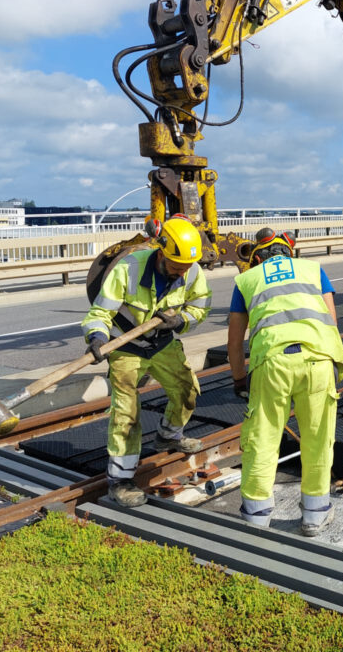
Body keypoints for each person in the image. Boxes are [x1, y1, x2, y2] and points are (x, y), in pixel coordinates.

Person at [81, 216, 212, 508]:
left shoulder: (191, 270)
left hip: (162, 343)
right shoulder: (128, 269)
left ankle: (169, 436)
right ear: (162, 252)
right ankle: (120, 481)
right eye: (176, 265)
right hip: (126, 347)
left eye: (186, 266)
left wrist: (179, 321)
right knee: (126, 412)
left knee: (187, 391)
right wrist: (97, 337)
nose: (182, 272)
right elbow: (99, 313)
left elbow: (199, 307)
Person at [227, 228, 343, 536]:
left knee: (263, 439)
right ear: (289, 253)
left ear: (257, 259)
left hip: (271, 364)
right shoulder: (313, 270)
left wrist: (240, 380)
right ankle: (315, 515)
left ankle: (256, 518)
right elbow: (331, 322)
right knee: (318, 437)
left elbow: (234, 342)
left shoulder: (247, 280)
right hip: (318, 360)